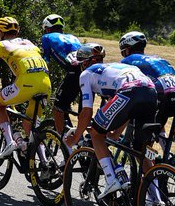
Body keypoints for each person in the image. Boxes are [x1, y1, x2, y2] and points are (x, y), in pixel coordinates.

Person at [66, 43, 159, 197]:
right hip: (150, 92)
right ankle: (156, 200)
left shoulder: (86, 74)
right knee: (140, 150)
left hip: (130, 90)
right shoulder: (113, 69)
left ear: (86, 63)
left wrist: (75, 138)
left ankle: (111, 179)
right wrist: (115, 134)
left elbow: (86, 112)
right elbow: (126, 111)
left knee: (96, 133)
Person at [0, 17, 53, 159]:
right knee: (29, 125)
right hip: (46, 84)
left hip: (26, 83)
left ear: (1, 32)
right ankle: (44, 161)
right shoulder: (30, 43)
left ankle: (10, 142)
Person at [118, 31, 175, 148]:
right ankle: (166, 152)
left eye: (123, 51)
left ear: (128, 49)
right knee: (157, 121)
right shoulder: (157, 58)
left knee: (141, 140)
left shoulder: (128, 60)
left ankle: (144, 154)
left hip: (164, 95)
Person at [40, 13, 84, 135]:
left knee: (57, 107)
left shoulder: (46, 37)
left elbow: (45, 61)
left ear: (47, 28)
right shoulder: (73, 37)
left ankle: (64, 141)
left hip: (73, 73)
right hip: (86, 72)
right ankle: (80, 137)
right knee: (83, 112)